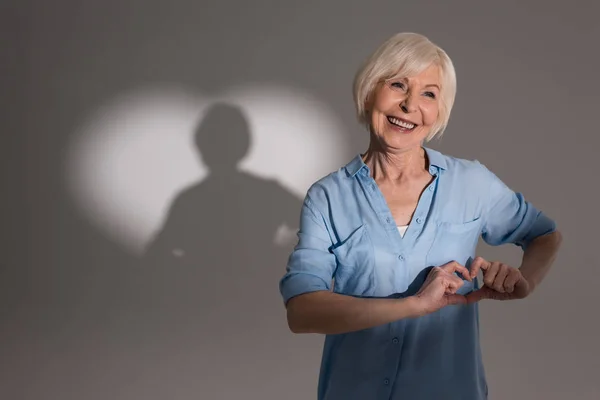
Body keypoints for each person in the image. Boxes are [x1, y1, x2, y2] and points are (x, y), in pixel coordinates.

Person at [278, 32, 562, 400]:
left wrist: (525, 281)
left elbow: (544, 234)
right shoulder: (328, 197)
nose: (411, 104)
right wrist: (412, 306)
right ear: (369, 91)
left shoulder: (471, 183)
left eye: (429, 93)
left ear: (439, 111)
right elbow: (302, 312)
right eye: (398, 84)